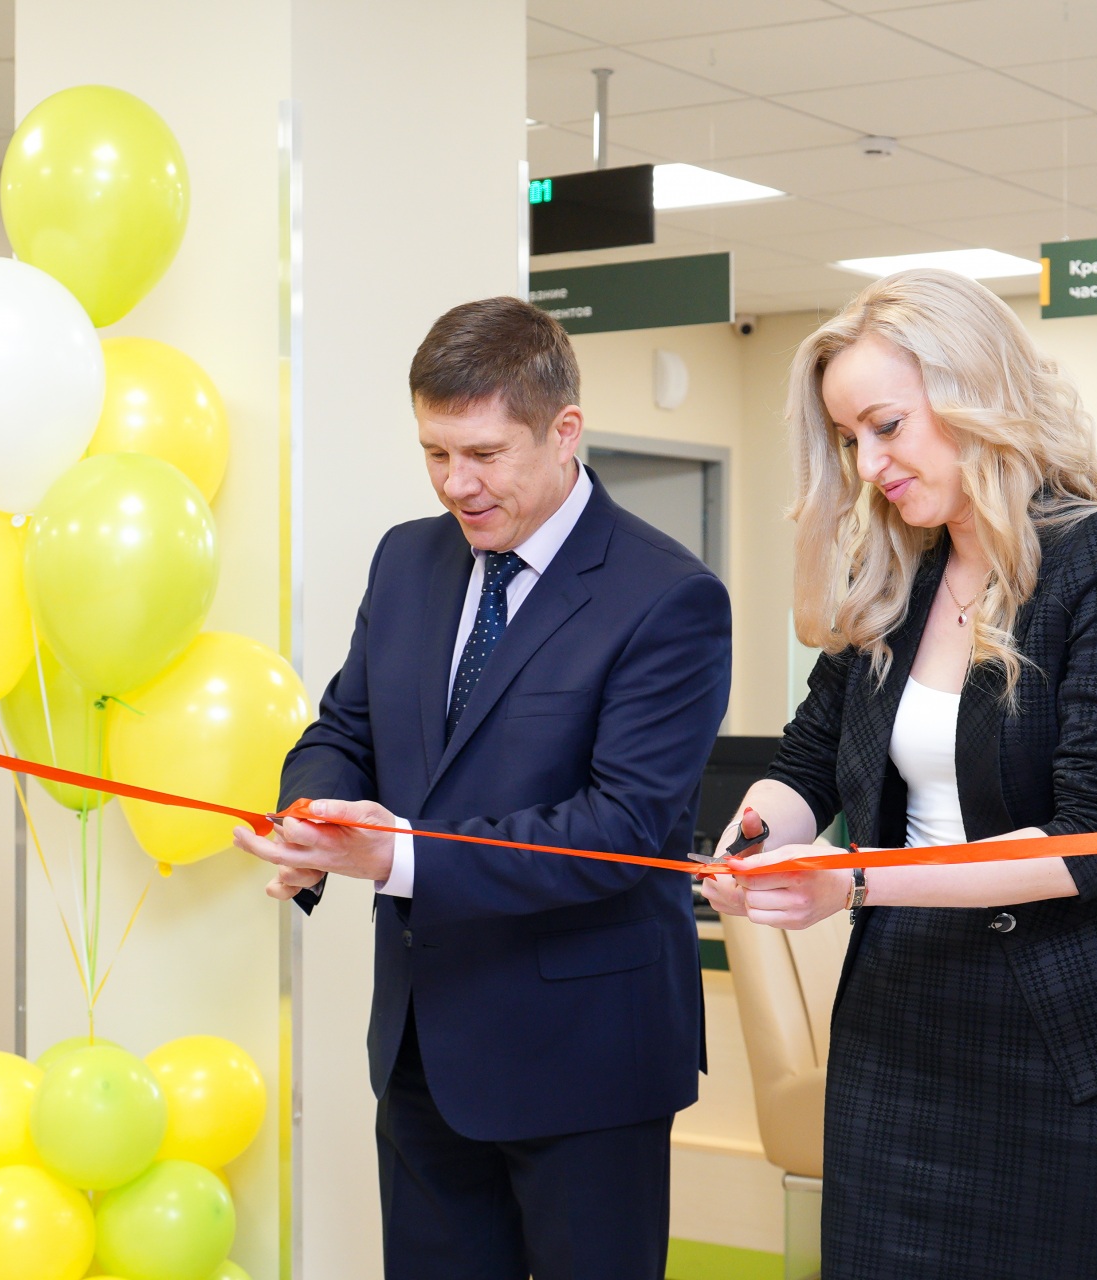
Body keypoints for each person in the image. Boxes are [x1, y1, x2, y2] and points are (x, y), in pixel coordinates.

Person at [703, 270, 1097, 1279]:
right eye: (849, 439)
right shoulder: (896, 575)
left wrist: (852, 881)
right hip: (903, 1021)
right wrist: (757, 835)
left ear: (976, 393)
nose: (870, 464)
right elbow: (808, 760)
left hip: (1070, 1041)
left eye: (887, 426)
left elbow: (1096, 843)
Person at [232, 296, 732, 1280]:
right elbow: (344, 729)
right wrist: (313, 819)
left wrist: (398, 856)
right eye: (434, 452)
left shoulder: (667, 595)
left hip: (587, 1060)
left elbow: (623, 826)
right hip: (423, 1047)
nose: (456, 483)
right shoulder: (407, 559)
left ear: (564, 431)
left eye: (484, 454)